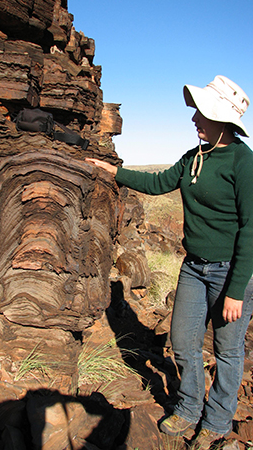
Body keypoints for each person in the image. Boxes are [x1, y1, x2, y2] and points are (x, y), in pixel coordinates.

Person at [86, 75, 253, 450]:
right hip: (194, 267)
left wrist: (237, 289)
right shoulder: (194, 157)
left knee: (227, 351)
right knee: (182, 342)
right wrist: (112, 171)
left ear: (220, 118)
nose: (194, 117)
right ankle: (190, 407)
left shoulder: (244, 162)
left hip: (231, 273)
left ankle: (218, 419)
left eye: (200, 112)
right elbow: (159, 182)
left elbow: (251, 229)